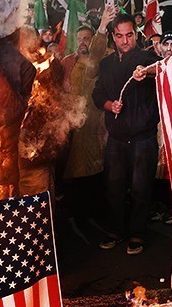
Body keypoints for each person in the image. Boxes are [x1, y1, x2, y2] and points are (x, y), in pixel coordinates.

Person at [92, 14, 160, 255]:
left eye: (129, 35)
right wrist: (110, 105)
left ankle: (137, 233)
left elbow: (162, 70)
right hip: (117, 138)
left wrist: (147, 72)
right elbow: (97, 94)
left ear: (136, 34)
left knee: (141, 188)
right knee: (114, 187)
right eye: (119, 36)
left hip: (143, 137)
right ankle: (115, 230)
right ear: (113, 36)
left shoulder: (147, 58)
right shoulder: (106, 64)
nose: (125, 40)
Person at [61, 17, 111, 225]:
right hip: (69, 123)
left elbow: (98, 50)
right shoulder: (67, 62)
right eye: (80, 38)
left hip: (93, 122)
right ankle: (76, 212)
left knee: (93, 167)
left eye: (87, 39)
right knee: (71, 168)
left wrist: (103, 26)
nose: (83, 42)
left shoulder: (98, 61)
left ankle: (93, 213)